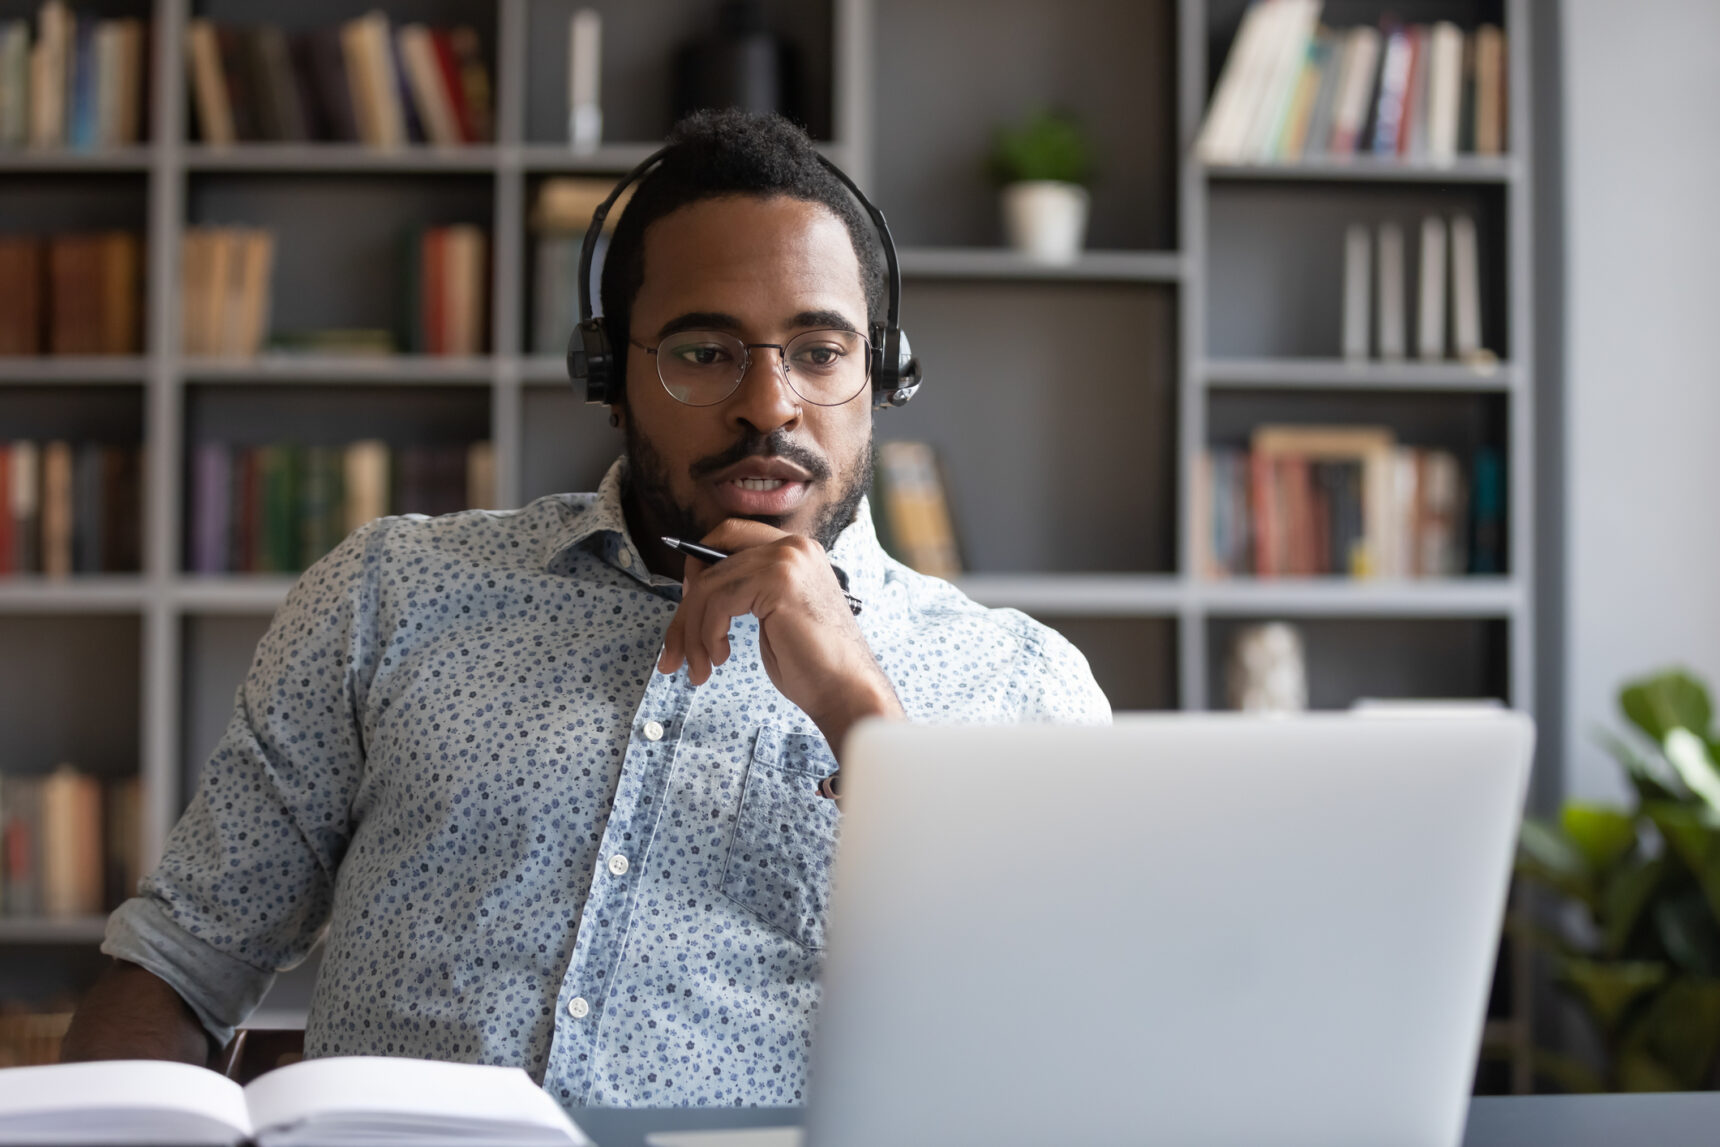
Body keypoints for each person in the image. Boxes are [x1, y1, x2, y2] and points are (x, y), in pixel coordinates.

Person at [61, 110, 1110, 1108]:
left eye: (819, 352)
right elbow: (175, 967)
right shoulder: (387, 597)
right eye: (703, 352)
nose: (770, 402)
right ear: (609, 376)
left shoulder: (1021, 686)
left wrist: (861, 716)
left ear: (882, 375)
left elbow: (1059, 1051)